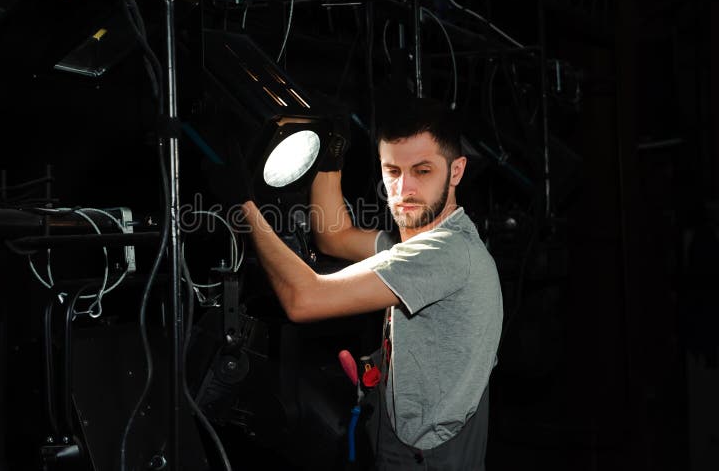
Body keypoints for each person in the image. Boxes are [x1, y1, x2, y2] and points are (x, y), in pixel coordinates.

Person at [215, 92, 503, 470]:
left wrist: (246, 207)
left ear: (457, 171)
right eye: (393, 172)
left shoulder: (443, 254)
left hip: (427, 459)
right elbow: (335, 236)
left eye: (423, 170)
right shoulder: (423, 242)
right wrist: (330, 156)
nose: (405, 191)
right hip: (408, 440)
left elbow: (303, 299)